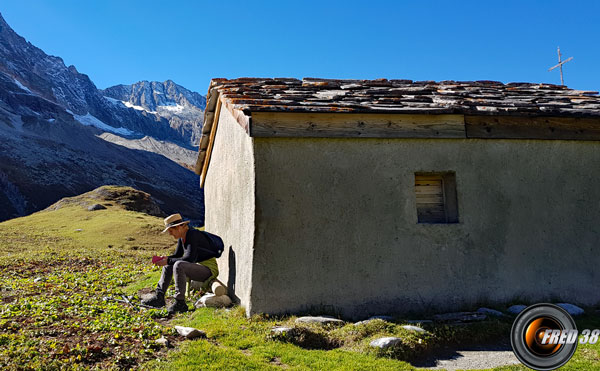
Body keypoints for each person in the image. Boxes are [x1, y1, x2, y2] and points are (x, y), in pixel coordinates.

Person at [142, 213, 221, 313]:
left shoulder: (193, 235)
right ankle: (159, 296)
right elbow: (177, 255)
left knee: (178, 265)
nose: (170, 234)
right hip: (197, 266)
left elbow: (189, 258)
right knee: (169, 265)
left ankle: (180, 303)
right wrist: (166, 259)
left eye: (171, 230)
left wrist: (168, 260)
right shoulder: (182, 237)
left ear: (179, 227)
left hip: (208, 269)